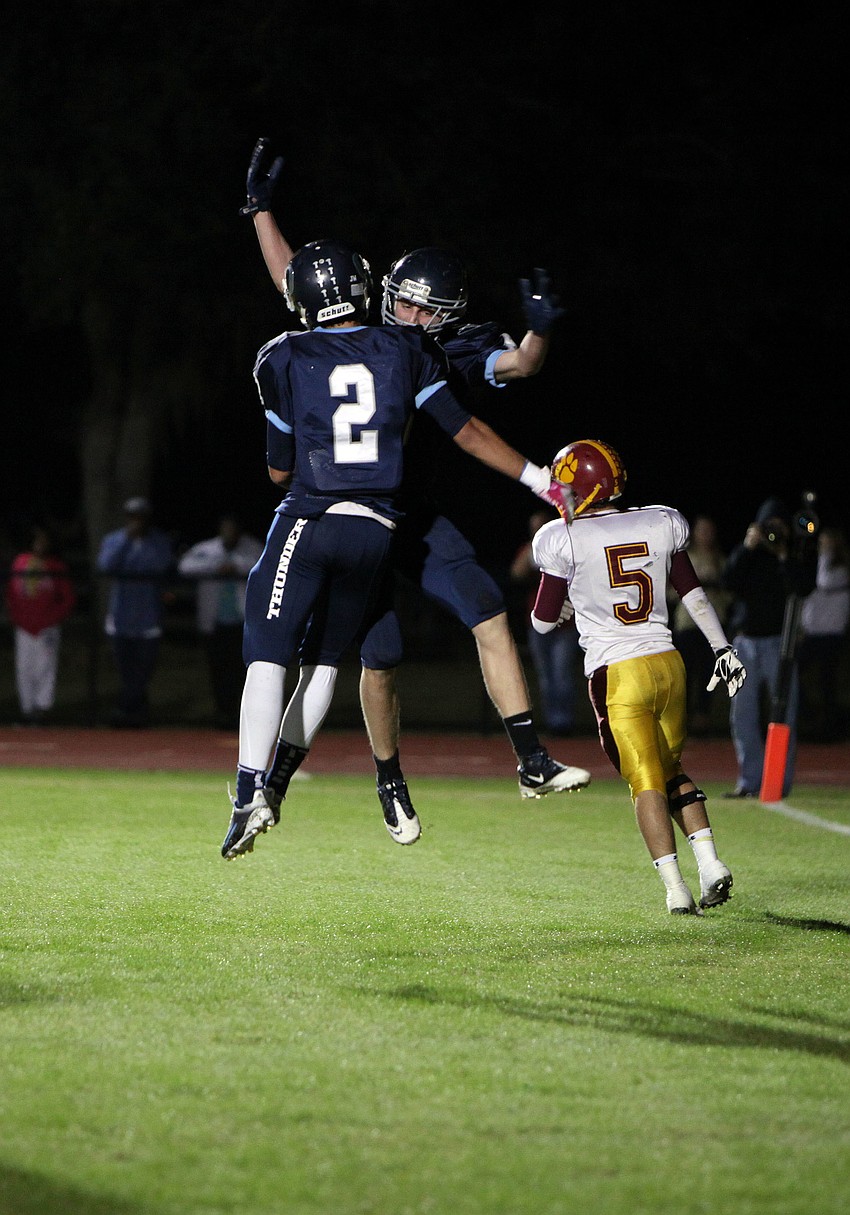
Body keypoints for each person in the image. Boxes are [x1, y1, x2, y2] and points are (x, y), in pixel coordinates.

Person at [239, 137, 591, 838]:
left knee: (489, 607)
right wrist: (260, 213)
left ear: (448, 316)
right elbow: (299, 286)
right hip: (361, 511)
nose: (403, 314)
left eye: (418, 309)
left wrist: (540, 336)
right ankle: (388, 778)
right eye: (395, 301)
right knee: (380, 656)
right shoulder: (374, 335)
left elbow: (517, 364)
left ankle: (529, 757)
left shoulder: (442, 347)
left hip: (413, 513)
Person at [529, 439, 746, 916]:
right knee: (672, 771)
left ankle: (676, 890)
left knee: (645, 781)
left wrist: (566, 606)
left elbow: (541, 621)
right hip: (668, 664)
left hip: (617, 672)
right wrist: (722, 648)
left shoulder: (561, 537)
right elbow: (691, 591)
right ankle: (710, 864)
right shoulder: (659, 520)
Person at [720, 497, 818, 798]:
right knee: (742, 715)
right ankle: (749, 781)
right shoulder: (749, 553)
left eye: (778, 527)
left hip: (781, 644)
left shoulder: (793, 553)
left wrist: (784, 555)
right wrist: (747, 547)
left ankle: (778, 782)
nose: (772, 533)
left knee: (784, 716)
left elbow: (803, 587)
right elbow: (728, 582)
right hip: (745, 641)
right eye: (768, 527)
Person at [177, 514, 263, 728]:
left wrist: (235, 567)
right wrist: (216, 567)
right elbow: (185, 566)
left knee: (242, 671)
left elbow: (264, 565)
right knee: (218, 669)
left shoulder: (251, 547)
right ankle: (222, 713)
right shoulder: (208, 549)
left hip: (242, 623)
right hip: (215, 623)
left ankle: (242, 715)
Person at [96, 497, 175, 727]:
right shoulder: (114, 540)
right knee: (125, 670)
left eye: (140, 517)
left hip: (148, 618)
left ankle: (126, 710)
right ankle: (134, 713)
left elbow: (160, 565)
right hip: (121, 617)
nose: (136, 522)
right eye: (132, 517)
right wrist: (127, 543)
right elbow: (107, 565)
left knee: (143, 670)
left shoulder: (158, 541)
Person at [510, 509, 581, 736]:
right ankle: (552, 721)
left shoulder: (565, 546)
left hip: (565, 622)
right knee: (546, 676)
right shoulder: (530, 549)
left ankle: (564, 722)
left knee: (562, 673)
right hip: (538, 622)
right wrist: (534, 547)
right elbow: (517, 573)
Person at [5, 524, 76, 725]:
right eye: (37, 540)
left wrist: (52, 619)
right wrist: (16, 616)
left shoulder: (55, 567)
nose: (40, 544)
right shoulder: (20, 562)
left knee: (44, 668)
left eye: (44, 540)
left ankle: (41, 710)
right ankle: (27, 711)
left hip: (47, 627)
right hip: (24, 626)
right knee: (24, 668)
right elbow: (12, 593)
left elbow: (67, 598)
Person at [669, 514, 732, 735]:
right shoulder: (686, 558)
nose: (706, 535)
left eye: (710, 530)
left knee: (708, 674)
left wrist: (714, 587)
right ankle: (681, 719)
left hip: (713, 625)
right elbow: (671, 590)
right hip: (687, 623)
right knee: (684, 673)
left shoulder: (721, 560)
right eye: (702, 530)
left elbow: (729, 594)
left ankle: (702, 718)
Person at [797, 526, 849, 742]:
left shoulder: (841, 569)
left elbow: (824, 582)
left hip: (832, 633)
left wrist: (824, 555)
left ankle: (830, 726)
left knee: (827, 681)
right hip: (812, 633)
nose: (823, 546)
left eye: (828, 542)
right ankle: (810, 715)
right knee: (794, 672)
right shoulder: (815, 564)